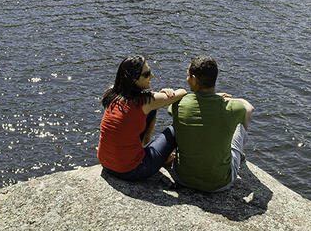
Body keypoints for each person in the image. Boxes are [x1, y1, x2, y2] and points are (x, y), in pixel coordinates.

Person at [169, 56, 254, 192]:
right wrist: (234, 99)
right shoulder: (231, 108)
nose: (187, 79)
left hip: (183, 178)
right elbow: (249, 107)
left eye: (188, 76)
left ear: (195, 80)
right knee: (239, 123)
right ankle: (240, 157)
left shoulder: (179, 103)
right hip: (220, 183)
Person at [97, 55, 186, 181]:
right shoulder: (145, 101)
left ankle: (146, 146)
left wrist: (159, 96)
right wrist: (169, 91)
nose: (152, 76)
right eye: (147, 74)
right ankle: (173, 162)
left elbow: (152, 102)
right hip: (132, 170)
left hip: (106, 164)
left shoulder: (113, 94)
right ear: (134, 80)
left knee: (151, 111)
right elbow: (182, 92)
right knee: (176, 128)